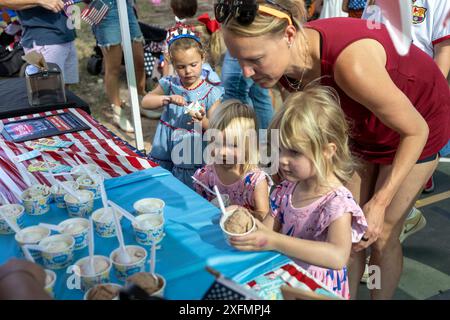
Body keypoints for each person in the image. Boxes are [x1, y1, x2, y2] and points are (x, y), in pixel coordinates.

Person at [218, 0, 449, 299]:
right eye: (239, 61)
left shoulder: (350, 65)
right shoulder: (287, 66)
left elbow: (416, 130)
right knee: (352, 235)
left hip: (417, 122)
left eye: (255, 60)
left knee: (380, 236)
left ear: (288, 35)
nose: (247, 73)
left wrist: (380, 203)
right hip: (361, 125)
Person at [230, 87, 368, 300]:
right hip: (285, 282)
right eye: (280, 149)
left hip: (318, 290)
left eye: (294, 152)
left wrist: (274, 241)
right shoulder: (286, 190)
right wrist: (243, 221)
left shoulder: (337, 203)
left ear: (327, 151)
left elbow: (338, 256)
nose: (283, 160)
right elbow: (266, 231)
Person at [362, 0, 450, 244]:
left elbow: (444, 52)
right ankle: (405, 217)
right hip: (378, 96)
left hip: (415, 101)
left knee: (393, 182)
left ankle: (383, 242)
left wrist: (427, 99)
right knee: (371, 184)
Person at [141, 25, 223, 189]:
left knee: (187, 185)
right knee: (163, 182)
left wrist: (201, 119)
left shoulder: (210, 92)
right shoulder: (170, 84)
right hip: (166, 143)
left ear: (203, 58)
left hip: (191, 148)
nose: (188, 71)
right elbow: (146, 102)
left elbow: (216, 128)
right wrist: (167, 98)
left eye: (193, 64)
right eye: (181, 66)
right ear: (172, 63)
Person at [193, 100, 272, 221]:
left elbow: (264, 216)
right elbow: (197, 209)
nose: (223, 152)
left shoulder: (255, 182)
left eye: (233, 145)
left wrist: (240, 213)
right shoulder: (205, 176)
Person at [91, 0, 146, 132]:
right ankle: (117, 111)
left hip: (126, 5)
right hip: (105, 8)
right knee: (113, 66)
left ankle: (142, 101)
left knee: (139, 60)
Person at [0, 0, 79, 85]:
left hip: (66, 36)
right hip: (43, 41)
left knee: (65, 89)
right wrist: (40, 1)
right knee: (50, 90)